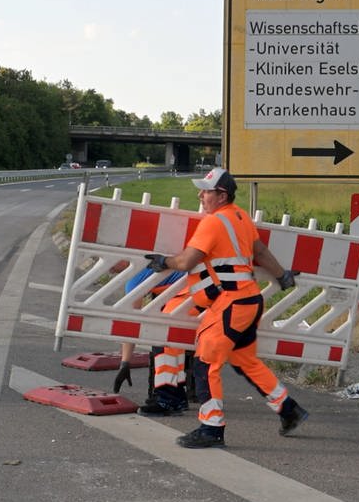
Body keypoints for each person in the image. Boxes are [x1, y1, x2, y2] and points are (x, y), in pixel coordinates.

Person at [144, 167, 307, 448]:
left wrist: (164, 262)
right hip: (249, 300)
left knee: (206, 361)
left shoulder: (214, 222)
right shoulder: (241, 217)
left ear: (221, 195)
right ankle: (289, 409)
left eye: (206, 191)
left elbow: (186, 262)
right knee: (246, 361)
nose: (200, 195)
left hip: (232, 302)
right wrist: (282, 275)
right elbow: (261, 252)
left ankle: (211, 427)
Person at [111, 266, 197, 415]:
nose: (110, 269)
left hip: (192, 293)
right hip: (198, 289)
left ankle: (168, 400)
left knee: (162, 339)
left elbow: (132, 323)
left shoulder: (135, 278)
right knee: (172, 346)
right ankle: (177, 396)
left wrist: (125, 362)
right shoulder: (148, 265)